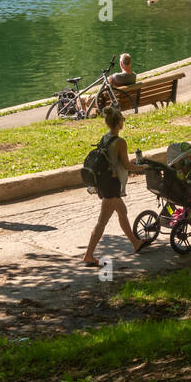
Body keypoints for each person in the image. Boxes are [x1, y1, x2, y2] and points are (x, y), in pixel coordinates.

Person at [82, 105, 150, 266]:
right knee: (102, 222)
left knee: (122, 212)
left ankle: (135, 242)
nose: (123, 121)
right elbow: (126, 165)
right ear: (118, 122)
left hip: (103, 181)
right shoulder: (120, 142)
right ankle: (88, 255)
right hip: (111, 184)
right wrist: (143, 168)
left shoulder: (105, 138)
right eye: (122, 119)